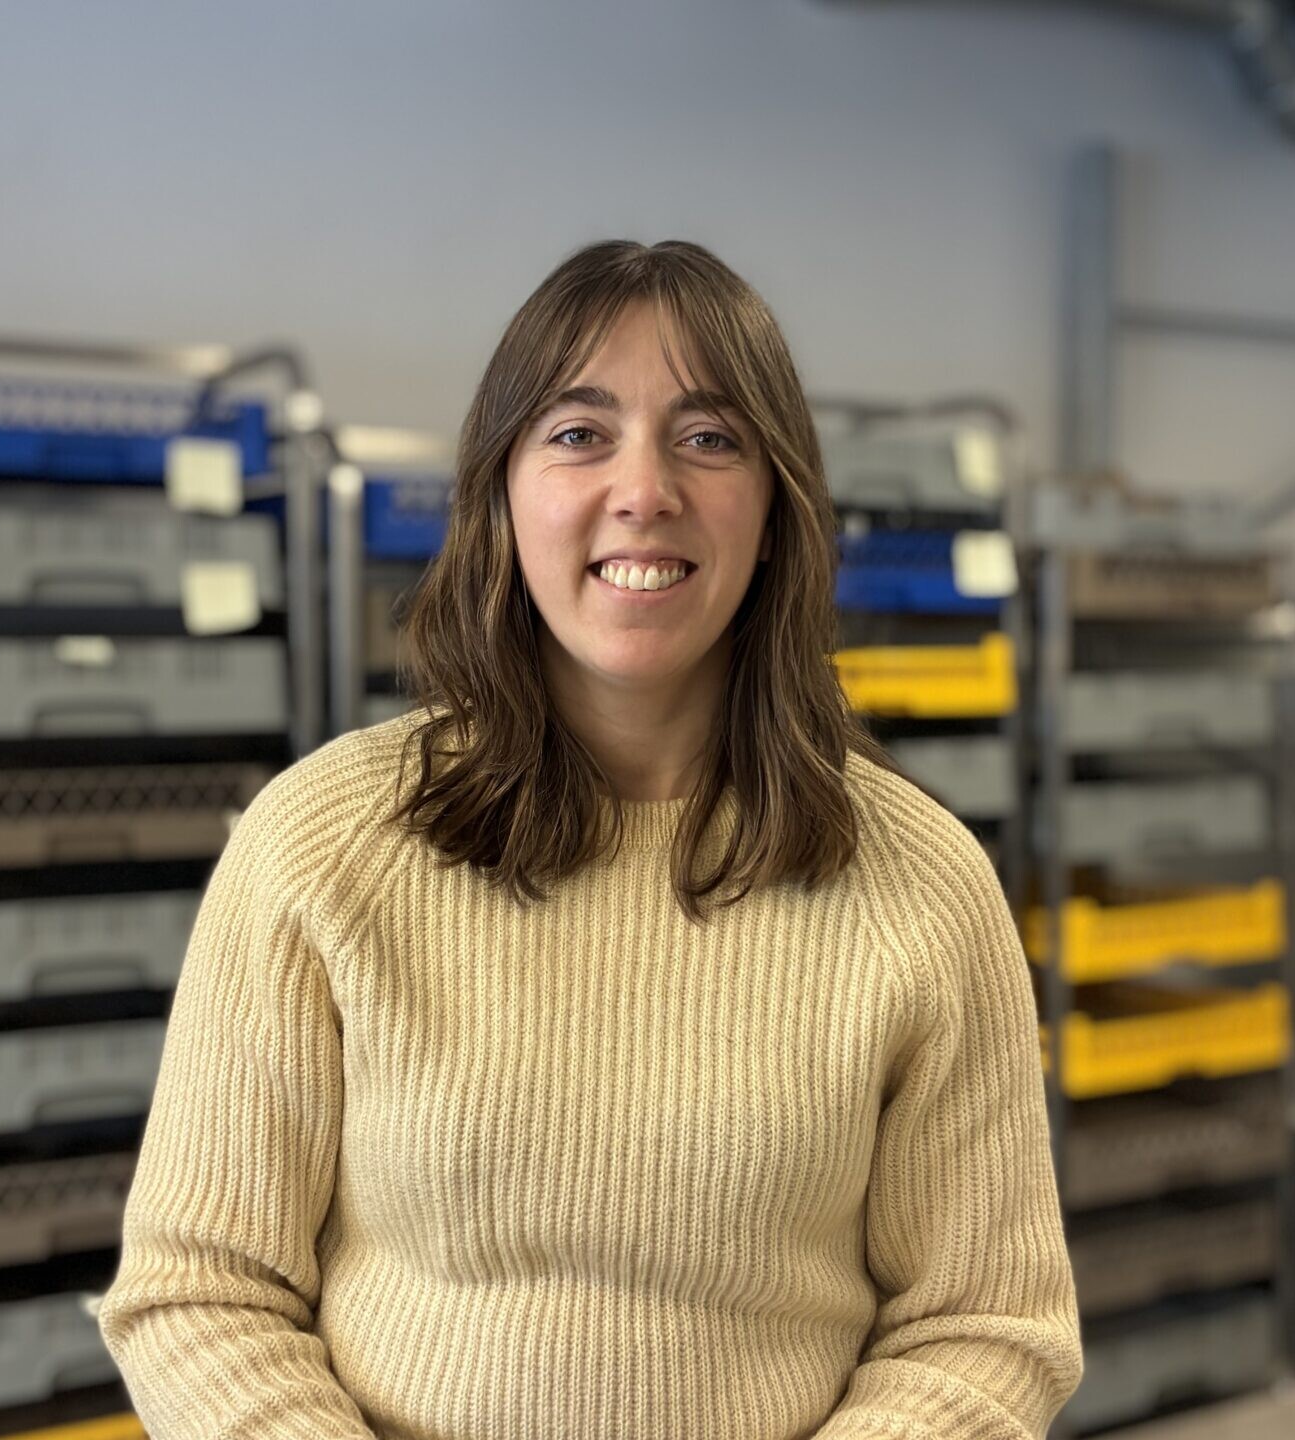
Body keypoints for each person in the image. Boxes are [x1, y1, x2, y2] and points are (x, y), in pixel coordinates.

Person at [98, 239, 1081, 1439]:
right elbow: (202, 1288)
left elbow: (984, 1326)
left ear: (776, 511)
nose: (644, 488)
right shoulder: (319, 846)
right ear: (501, 494)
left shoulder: (922, 886)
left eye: (709, 436)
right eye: (577, 433)